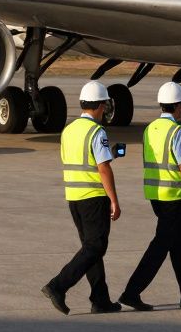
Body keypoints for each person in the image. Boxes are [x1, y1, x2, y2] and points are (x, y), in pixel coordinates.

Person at [118, 81, 181, 311]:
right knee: (160, 247)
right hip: (173, 197)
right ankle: (131, 292)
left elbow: (163, 158)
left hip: (155, 195)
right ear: (178, 106)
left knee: (178, 245)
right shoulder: (176, 131)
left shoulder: (150, 129)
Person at [41, 81, 123, 315]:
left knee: (91, 248)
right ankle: (58, 286)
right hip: (93, 196)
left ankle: (100, 300)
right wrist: (114, 199)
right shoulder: (97, 132)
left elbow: (81, 160)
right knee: (95, 247)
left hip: (74, 196)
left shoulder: (69, 130)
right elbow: (103, 168)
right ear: (100, 106)